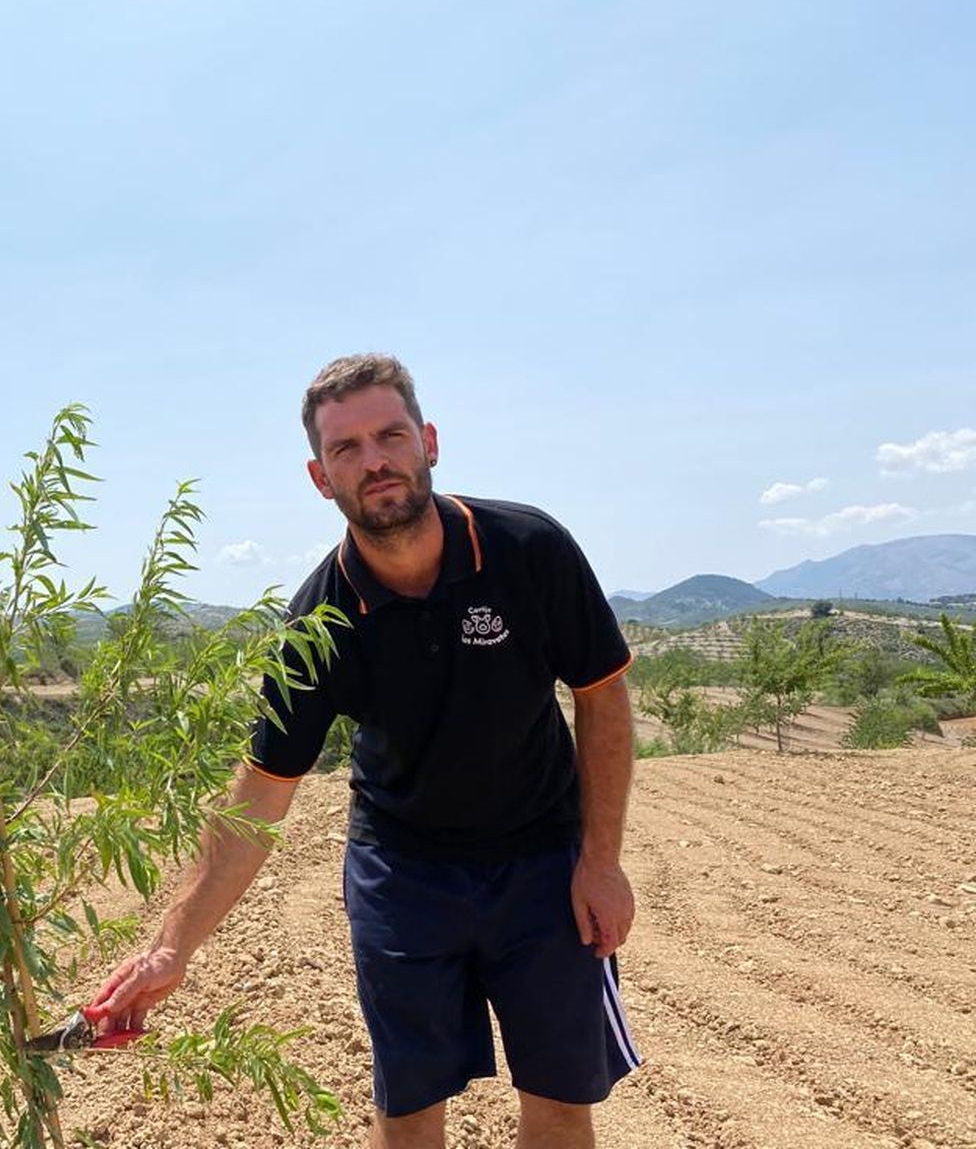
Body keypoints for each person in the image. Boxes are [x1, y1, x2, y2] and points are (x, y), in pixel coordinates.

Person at [89, 355, 640, 1149]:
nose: (374, 460)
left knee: (558, 1099)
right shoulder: (319, 621)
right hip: (405, 875)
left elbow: (602, 694)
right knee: (410, 1108)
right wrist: (170, 947)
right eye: (347, 448)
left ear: (430, 443)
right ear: (321, 478)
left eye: (390, 435)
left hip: (544, 863)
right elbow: (262, 789)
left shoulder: (529, 549)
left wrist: (600, 859)